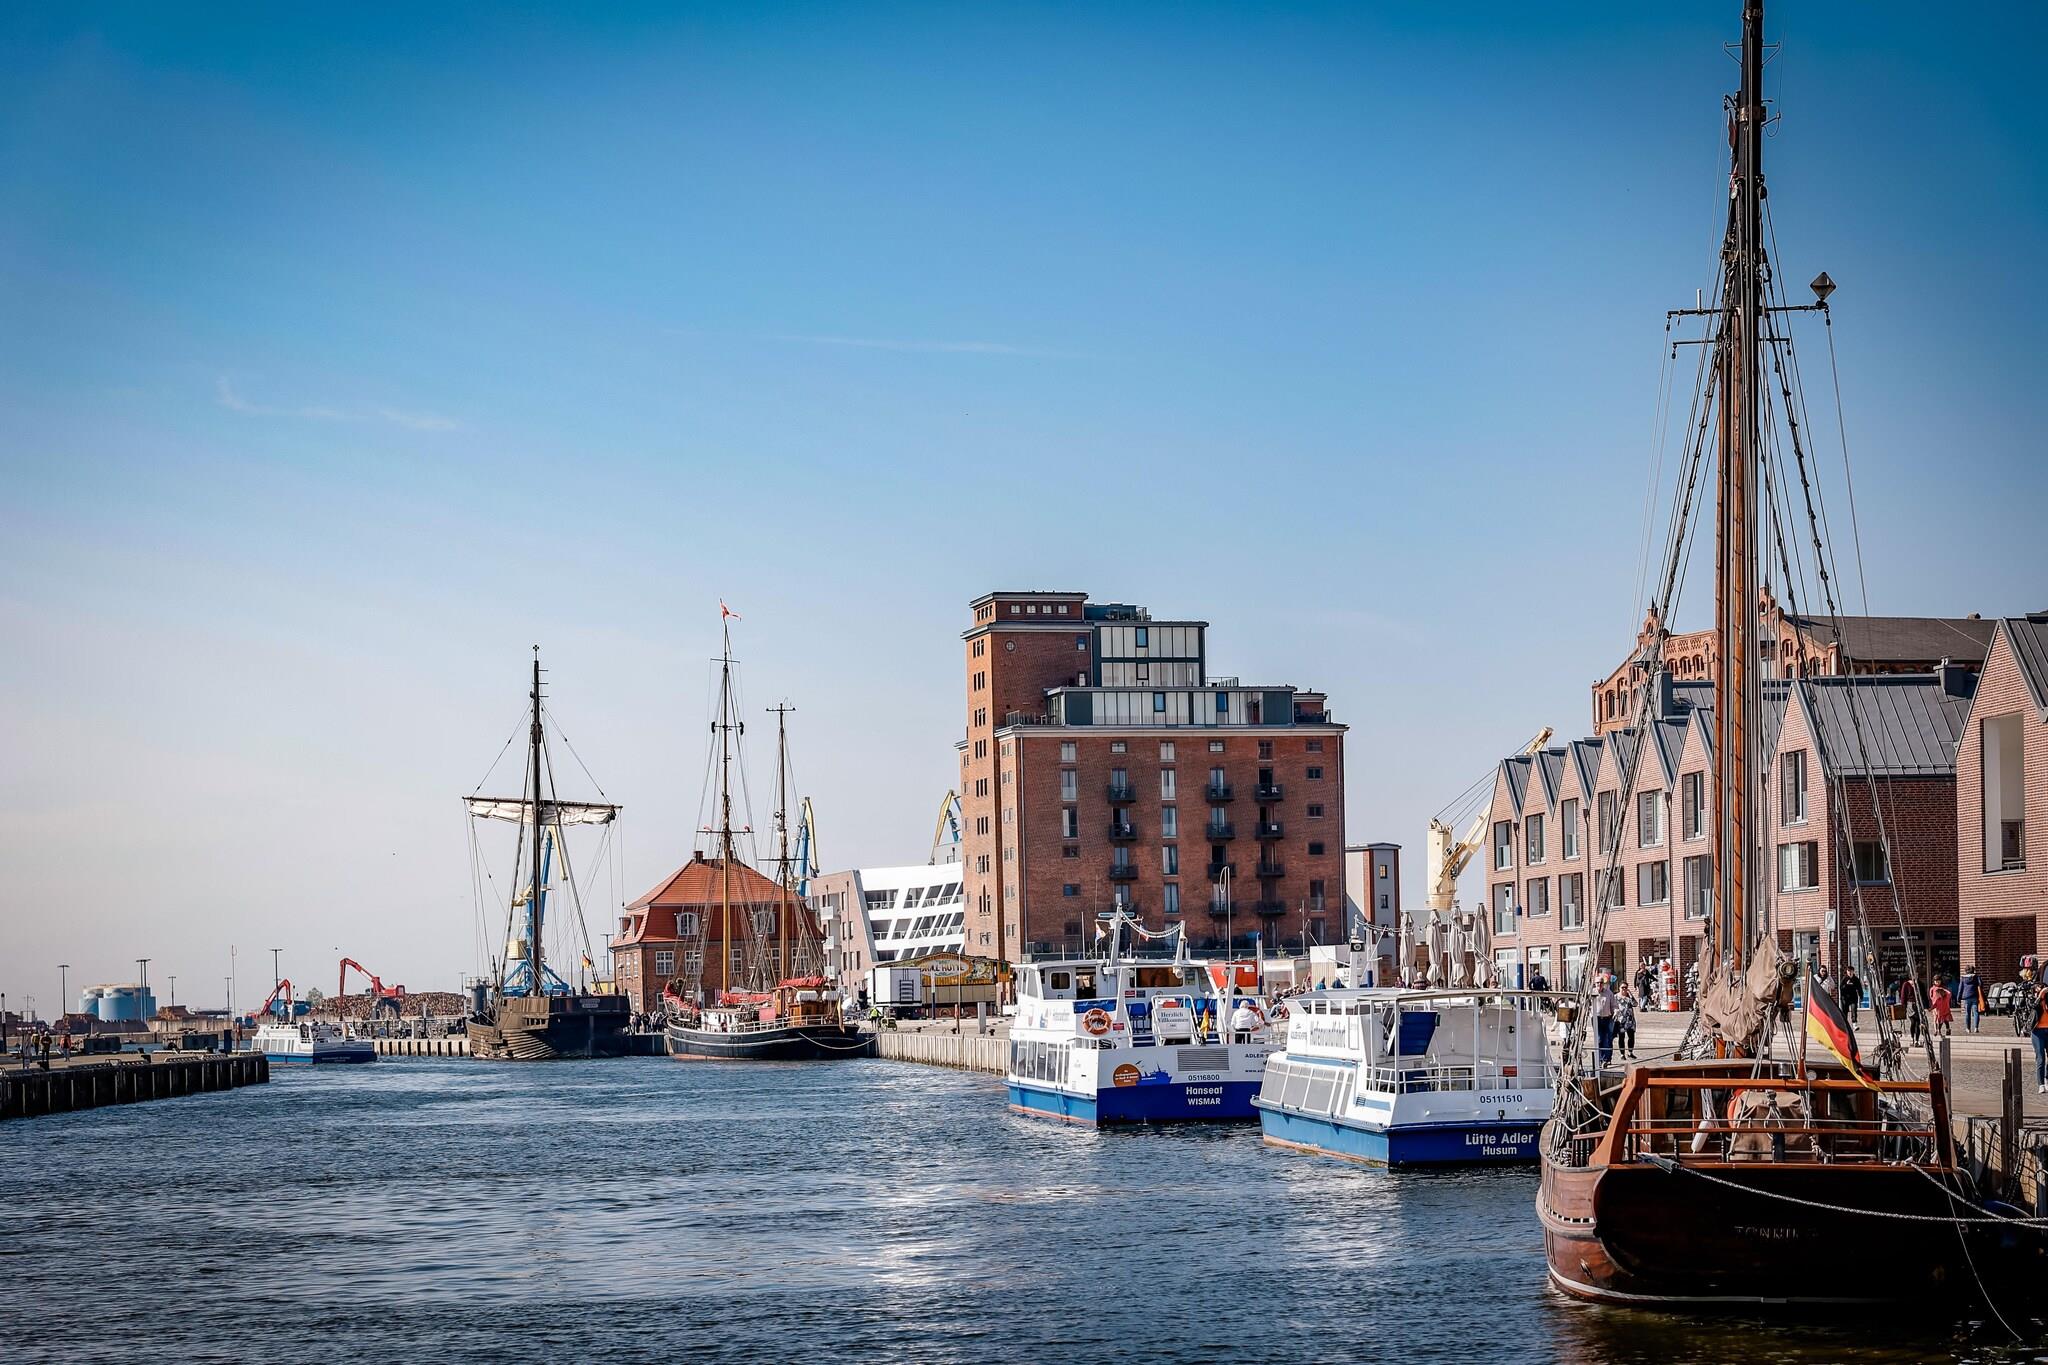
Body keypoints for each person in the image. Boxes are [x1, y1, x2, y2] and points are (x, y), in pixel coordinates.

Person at [1594, 975, 1618, 1069]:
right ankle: (1601, 1059)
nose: (1599, 984)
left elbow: (1614, 1005)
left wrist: (1615, 1012)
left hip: (1607, 1018)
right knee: (1599, 1039)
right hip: (1596, 1018)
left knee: (1607, 1039)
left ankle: (1606, 1059)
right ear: (1595, 984)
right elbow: (1586, 1004)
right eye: (1597, 983)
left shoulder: (1609, 993)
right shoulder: (1592, 992)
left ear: (1603, 984)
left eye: (1601, 983)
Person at [1957, 966, 1982, 1035]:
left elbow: (1960, 989)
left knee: (1967, 1013)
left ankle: (1968, 1028)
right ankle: (1976, 1027)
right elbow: (1980, 984)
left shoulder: (1963, 978)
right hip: (1974, 996)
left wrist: (1958, 998)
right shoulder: (1976, 977)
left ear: (1966, 971)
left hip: (1966, 997)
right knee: (1976, 1012)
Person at [1615, 990, 1638, 1062]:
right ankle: (1622, 1054)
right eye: (1622, 987)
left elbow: (1635, 1004)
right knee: (1621, 1037)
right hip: (1621, 1020)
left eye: (1625, 987)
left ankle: (1630, 1052)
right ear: (1620, 988)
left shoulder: (1629, 997)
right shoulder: (1616, 997)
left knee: (1631, 1037)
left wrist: (1631, 995)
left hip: (1630, 1020)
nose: (1624, 989)